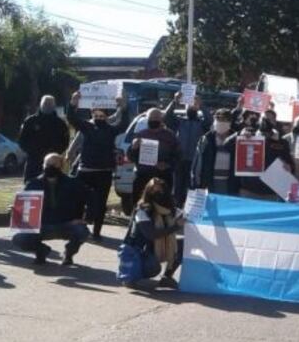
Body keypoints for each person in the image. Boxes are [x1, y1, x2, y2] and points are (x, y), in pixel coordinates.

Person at [67, 92, 128, 240]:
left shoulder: (110, 129)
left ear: (106, 116)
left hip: (104, 172)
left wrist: (123, 108)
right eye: (96, 115)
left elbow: (123, 125)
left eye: (102, 115)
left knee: (101, 203)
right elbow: (72, 118)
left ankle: (96, 232)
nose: (99, 118)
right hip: (85, 170)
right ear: (92, 113)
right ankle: (78, 229)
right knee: (79, 202)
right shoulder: (87, 126)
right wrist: (73, 103)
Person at [12, 153, 90, 266]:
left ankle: (69, 253)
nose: (51, 166)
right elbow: (24, 206)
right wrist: (16, 211)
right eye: (47, 164)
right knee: (19, 238)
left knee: (82, 231)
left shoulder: (73, 183)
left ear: (62, 166)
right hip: (41, 226)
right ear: (43, 165)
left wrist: (86, 218)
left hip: (66, 224)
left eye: (54, 164)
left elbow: (92, 199)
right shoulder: (33, 184)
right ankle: (41, 251)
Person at [130, 177, 185, 289]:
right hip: (141, 251)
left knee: (184, 245)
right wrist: (176, 226)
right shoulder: (142, 210)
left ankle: (167, 277)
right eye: (153, 191)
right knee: (152, 267)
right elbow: (151, 234)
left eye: (160, 191)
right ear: (147, 192)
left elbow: (187, 215)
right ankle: (133, 276)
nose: (157, 194)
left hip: (156, 249)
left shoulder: (170, 209)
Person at [164, 92, 211, 205]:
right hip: (180, 160)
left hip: (194, 161)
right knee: (178, 187)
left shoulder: (201, 124)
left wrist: (201, 105)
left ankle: (190, 209)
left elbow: (210, 120)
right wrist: (175, 101)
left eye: (193, 107)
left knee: (192, 187)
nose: (192, 108)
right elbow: (167, 116)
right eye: (189, 106)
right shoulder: (180, 122)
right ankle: (177, 207)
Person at [128, 107, 181, 203]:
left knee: (163, 205)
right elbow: (130, 157)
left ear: (161, 119)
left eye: (156, 118)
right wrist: (134, 148)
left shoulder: (170, 136)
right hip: (143, 175)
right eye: (151, 118)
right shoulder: (140, 134)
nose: (154, 120)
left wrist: (168, 164)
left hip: (163, 176)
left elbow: (178, 156)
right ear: (147, 119)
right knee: (139, 205)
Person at [237, 118, 295, 200]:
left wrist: (289, 167)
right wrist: (239, 135)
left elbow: (290, 164)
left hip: (270, 190)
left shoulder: (281, 143)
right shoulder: (248, 139)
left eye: (267, 134)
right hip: (249, 188)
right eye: (262, 134)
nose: (264, 136)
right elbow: (227, 145)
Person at [17, 95, 70, 182]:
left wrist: (54, 154)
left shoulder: (60, 123)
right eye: (46, 103)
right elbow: (22, 140)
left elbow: (65, 142)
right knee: (31, 187)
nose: (47, 105)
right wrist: (33, 151)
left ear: (54, 105)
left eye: (50, 104)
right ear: (41, 104)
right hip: (34, 161)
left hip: (53, 163)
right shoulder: (30, 121)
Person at [191, 108, 238, 195]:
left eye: (224, 119)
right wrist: (196, 182)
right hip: (209, 182)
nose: (220, 122)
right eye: (218, 119)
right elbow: (197, 162)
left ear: (230, 122)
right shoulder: (206, 138)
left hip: (230, 183)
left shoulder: (237, 139)